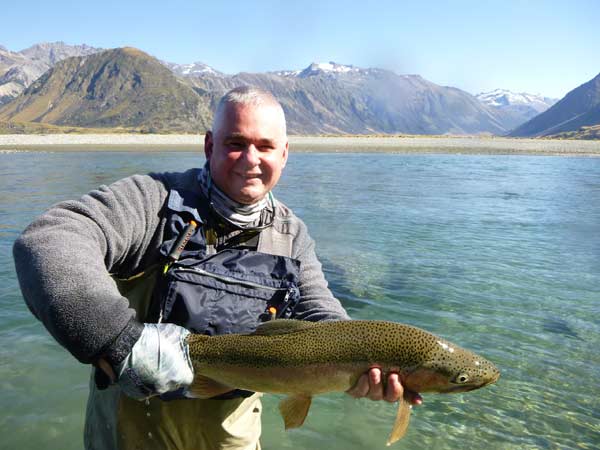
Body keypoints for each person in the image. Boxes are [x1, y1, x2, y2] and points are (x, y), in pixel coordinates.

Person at [13, 86, 421, 450]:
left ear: (284, 154)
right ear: (208, 145)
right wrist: (116, 338)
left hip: (231, 434)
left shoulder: (292, 236)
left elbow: (320, 314)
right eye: (235, 143)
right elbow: (51, 237)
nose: (250, 160)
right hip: (129, 428)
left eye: (264, 146)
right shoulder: (153, 201)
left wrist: (361, 365)